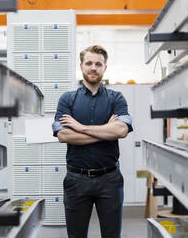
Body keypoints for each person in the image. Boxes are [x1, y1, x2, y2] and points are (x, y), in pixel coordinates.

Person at [52, 45, 133, 238]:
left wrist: (79, 128)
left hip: (110, 180)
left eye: (98, 64)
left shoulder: (116, 99)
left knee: (112, 235)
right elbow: (63, 136)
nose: (93, 67)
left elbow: (121, 130)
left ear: (105, 67)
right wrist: (106, 130)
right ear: (81, 66)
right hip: (76, 180)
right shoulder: (67, 99)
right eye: (89, 63)